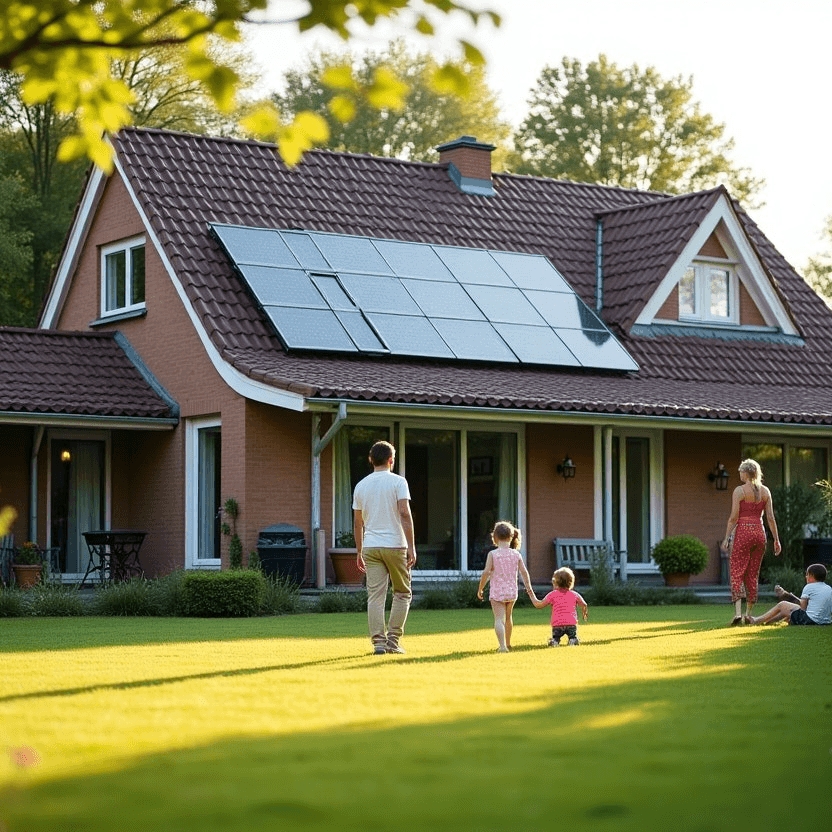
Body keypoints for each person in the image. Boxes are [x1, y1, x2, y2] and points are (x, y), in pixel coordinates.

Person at [353, 440, 417, 655]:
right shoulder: (399, 482)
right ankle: (393, 642)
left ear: (370, 460)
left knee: (375, 597)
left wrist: (359, 550)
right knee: (402, 593)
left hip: (371, 547)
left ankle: (378, 643)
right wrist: (411, 546)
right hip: (396, 545)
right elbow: (405, 513)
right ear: (391, 460)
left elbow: (357, 523)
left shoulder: (361, 486)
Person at [721, 458, 781, 626]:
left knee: (737, 570)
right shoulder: (765, 491)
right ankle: (749, 614)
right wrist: (776, 539)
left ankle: (738, 613)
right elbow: (770, 518)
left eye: (741, 471)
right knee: (753, 572)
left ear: (746, 473)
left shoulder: (739, 491)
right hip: (760, 534)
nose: (739, 474)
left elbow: (733, 518)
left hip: (743, 532)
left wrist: (726, 537)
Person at [477, 521, 532, 652]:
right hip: (512, 592)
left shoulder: (493, 554)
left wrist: (480, 588)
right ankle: (508, 643)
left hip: (497, 593)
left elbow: (486, 572)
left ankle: (502, 646)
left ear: (495, 537)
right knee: (508, 618)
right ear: (511, 536)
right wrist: (528, 587)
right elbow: (524, 572)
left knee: (498, 619)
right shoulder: (516, 554)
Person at [747, 563, 832, 626]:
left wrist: (790, 599)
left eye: (807, 574)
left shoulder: (809, 587)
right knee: (786, 610)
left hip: (810, 620)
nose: (806, 577)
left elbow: (803, 608)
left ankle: (757, 620)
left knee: (782, 605)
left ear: (812, 575)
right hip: (825, 621)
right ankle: (768, 622)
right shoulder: (829, 588)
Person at [527, 567, 588, 646]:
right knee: (573, 635)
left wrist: (531, 594)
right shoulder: (574, 594)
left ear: (555, 582)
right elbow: (584, 604)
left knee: (556, 636)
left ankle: (555, 641)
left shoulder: (552, 595)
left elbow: (539, 605)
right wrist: (584, 613)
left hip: (557, 624)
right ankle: (573, 640)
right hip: (571, 623)